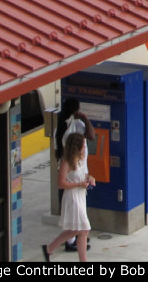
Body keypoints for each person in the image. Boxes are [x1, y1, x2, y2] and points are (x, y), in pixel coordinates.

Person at [43, 134, 94, 262]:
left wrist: (90, 178)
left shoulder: (80, 159)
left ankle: (49, 249)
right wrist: (78, 184)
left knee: (79, 230)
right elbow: (60, 183)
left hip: (80, 196)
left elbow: (83, 174)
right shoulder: (66, 162)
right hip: (72, 197)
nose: (85, 147)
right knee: (83, 228)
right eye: (83, 145)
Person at [54, 99, 95, 253]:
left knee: (76, 221)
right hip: (75, 179)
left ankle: (74, 240)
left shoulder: (59, 130)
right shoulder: (77, 125)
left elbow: (56, 152)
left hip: (77, 176)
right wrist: (84, 117)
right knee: (78, 223)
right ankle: (65, 243)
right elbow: (92, 136)